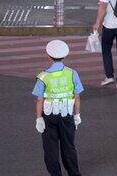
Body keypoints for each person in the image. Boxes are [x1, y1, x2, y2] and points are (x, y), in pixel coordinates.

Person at [33, 40, 83, 176]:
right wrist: (77, 115)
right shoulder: (72, 73)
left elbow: (39, 99)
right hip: (67, 114)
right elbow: (77, 96)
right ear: (65, 56)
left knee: (50, 148)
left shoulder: (43, 76)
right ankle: (74, 173)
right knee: (69, 146)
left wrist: (39, 118)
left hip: (49, 116)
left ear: (48, 56)